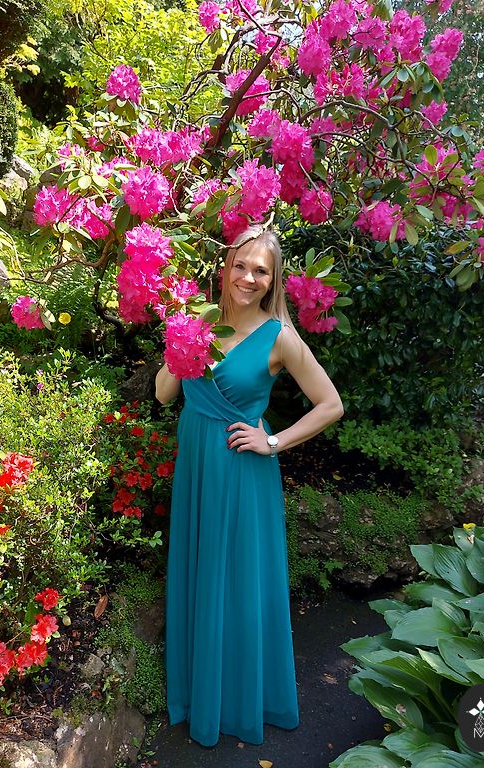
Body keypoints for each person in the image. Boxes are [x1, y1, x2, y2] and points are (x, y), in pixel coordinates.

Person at [155, 226, 344, 747]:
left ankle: (238, 702)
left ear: (273, 280)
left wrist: (273, 441)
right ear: (225, 268)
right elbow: (165, 394)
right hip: (197, 465)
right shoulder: (198, 319)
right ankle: (199, 695)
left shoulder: (279, 337)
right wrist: (180, 341)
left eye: (261, 270)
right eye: (241, 265)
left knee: (237, 581)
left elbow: (331, 404)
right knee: (202, 573)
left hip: (242, 472)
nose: (248, 278)